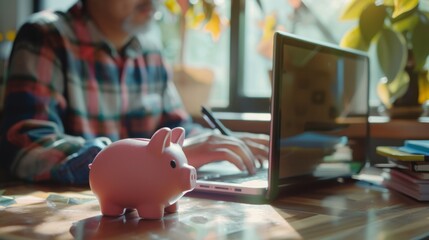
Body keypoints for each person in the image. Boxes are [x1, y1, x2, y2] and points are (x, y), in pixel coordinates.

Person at [0, 0, 269, 184]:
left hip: (143, 214)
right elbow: (27, 143)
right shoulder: (45, 35)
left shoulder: (150, 48)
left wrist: (217, 144)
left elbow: (175, 126)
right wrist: (151, 160)